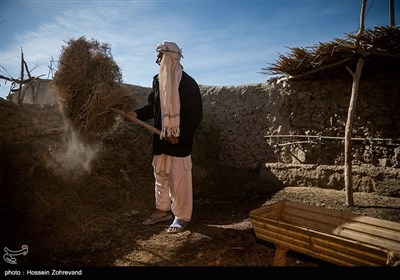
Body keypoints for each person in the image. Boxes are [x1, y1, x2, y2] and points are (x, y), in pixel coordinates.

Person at [125, 41, 203, 234]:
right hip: (161, 140)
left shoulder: (187, 83)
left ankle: (182, 216)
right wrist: (137, 114)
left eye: (159, 56)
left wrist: (180, 136)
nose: (156, 60)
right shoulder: (157, 81)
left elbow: (195, 115)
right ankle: (162, 211)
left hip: (178, 142)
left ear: (170, 57)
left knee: (179, 180)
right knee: (160, 176)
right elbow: (153, 107)